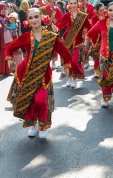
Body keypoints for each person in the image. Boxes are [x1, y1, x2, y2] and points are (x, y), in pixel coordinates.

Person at [5, 8, 71, 139]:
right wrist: (9, 59)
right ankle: (32, 124)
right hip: (26, 74)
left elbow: (64, 52)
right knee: (29, 99)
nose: (34, 20)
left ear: (42, 17)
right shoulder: (25, 36)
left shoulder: (51, 37)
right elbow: (9, 48)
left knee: (40, 100)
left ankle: (43, 125)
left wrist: (67, 66)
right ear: (27, 21)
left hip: (43, 75)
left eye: (36, 17)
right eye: (30, 18)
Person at [56, 0, 92, 88]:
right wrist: (53, 29)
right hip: (67, 41)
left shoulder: (83, 16)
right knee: (68, 61)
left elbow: (90, 28)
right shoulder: (67, 15)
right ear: (68, 5)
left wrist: (86, 36)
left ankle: (74, 78)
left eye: (74, 3)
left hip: (78, 42)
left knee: (75, 60)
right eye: (71, 3)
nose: (73, 5)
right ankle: (70, 78)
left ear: (78, 4)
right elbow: (60, 26)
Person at [0, 4, 12, 76]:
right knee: (0, 56)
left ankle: (8, 70)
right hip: (0, 39)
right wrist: (2, 27)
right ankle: (1, 71)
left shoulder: (7, 18)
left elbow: (12, 27)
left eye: (4, 9)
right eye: (2, 9)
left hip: (8, 39)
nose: (3, 10)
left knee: (8, 54)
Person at [90, 3, 105, 78]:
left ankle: (104, 70)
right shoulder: (94, 18)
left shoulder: (106, 16)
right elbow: (93, 28)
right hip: (97, 39)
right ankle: (96, 70)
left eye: (103, 10)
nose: (102, 11)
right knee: (96, 55)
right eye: (100, 10)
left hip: (105, 38)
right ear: (96, 10)